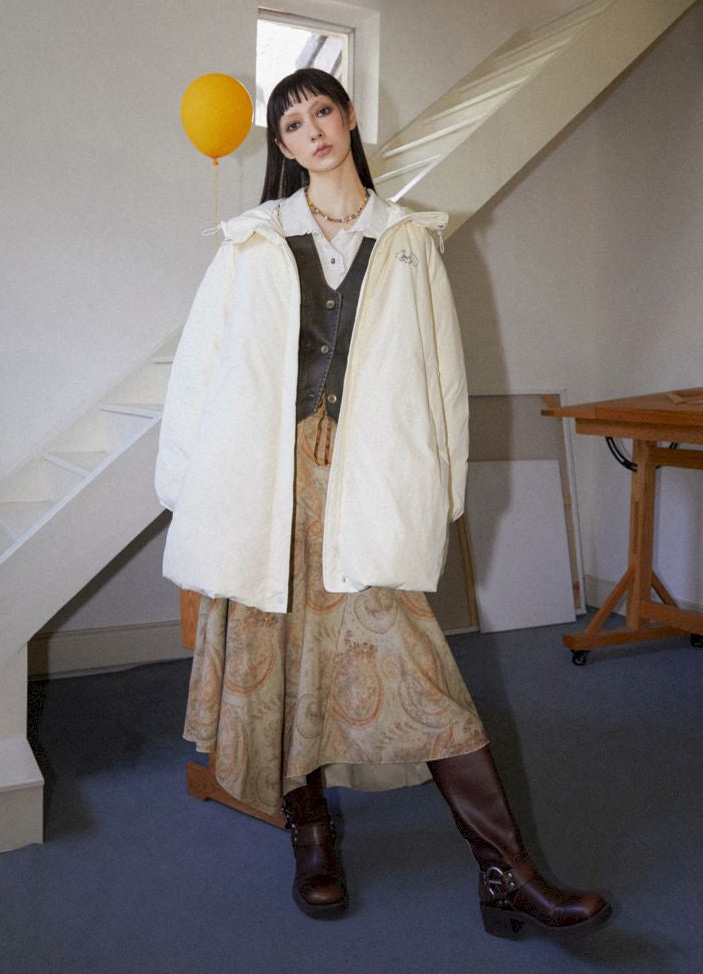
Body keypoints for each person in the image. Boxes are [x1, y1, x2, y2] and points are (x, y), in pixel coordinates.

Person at [155, 68, 611, 938]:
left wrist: (439, 491)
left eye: (323, 110)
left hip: (365, 482)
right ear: (283, 147)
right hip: (265, 483)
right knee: (280, 659)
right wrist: (185, 486)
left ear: (350, 117)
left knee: (420, 666)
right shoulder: (251, 241)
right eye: (293, 124)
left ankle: (507, 871)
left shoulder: (407, 240)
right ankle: (312, 835)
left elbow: (444, 379)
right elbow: (199, 369)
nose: (313, 130)